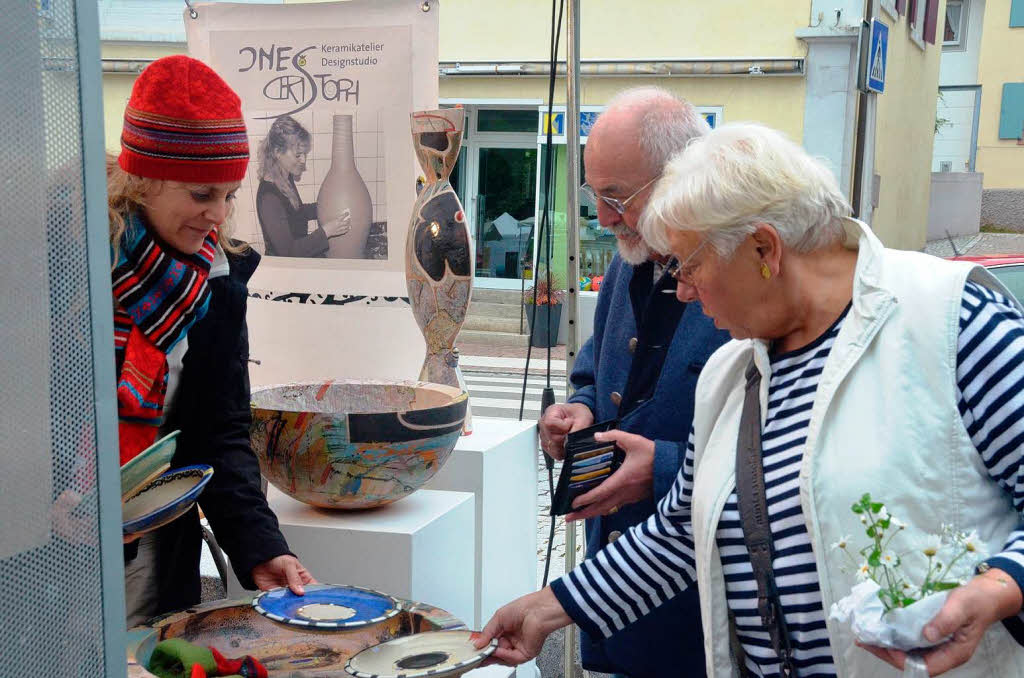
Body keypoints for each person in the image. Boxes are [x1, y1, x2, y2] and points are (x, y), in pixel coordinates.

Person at [479, 122, 1024, 677]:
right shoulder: (733, 371)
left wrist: (1000, 587)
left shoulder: (953, 324)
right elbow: (681, 530)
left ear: (764, 248)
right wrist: (547, 608)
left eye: (689, 265)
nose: (684, 290)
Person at [110, 55, 315, 626]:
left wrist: (261, 545)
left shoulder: (217, 280)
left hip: (156, 563)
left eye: (228, 194)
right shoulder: (66, 268)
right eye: (203, 193)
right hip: (50, 561)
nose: (218, 214)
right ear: (142, 176)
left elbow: (218, 434)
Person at [537, 87, 730, 677]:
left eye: (617, 196)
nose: (602, 217)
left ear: (683, 177)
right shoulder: (628, 260)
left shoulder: (745, 276)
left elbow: (780, 454)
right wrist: (582, 409)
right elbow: (599, 366)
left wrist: (666, 467)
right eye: (594, 195)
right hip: (614, 573)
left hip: (703, 599)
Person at [255, 115, 350, 257]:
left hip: (299, 256)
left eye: (304, 154)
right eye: (298, 155)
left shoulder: (285, 178)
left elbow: (296, 214)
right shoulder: (269, 197)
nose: (303, 160)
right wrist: (326, 231)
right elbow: (289, 252)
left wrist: (326, 206)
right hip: (284, 267)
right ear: (277, 152)